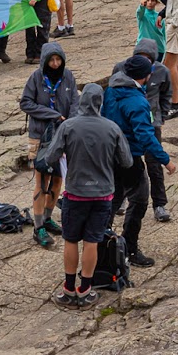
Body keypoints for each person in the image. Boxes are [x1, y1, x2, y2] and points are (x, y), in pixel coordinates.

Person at [37, 84, 133, 308]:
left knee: (71, 240)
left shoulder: (69, 126)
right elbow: (127, 161)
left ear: (81, 102)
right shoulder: (112, 128)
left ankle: (69, 289)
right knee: (92, 241)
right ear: (100, 102)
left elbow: (51, 157)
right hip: (102, 195)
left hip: (76, 194)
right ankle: (86, 289)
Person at [102, 54, 177, 268]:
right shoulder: (136, 100)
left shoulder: (111, 90)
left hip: (109, 154)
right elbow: (145, 135)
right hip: (129, 157)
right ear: (144, 76)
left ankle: (100, 242)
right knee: (140, 198)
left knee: (113, 199)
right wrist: (165, 160)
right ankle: (130, 247)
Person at [19, 42, 77, 247]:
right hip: (40, 136)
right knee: (42, 182)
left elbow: (75, 102)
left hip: (63, 136)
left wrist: (71, 123)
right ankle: (38, 227)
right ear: (45, 61)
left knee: (57, 180)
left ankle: (48, 217)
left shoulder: (68, 76)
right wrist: (53, 115)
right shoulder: (35, 78)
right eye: (51, 60)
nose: (55, 64)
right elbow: (25, 103)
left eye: (58, 59)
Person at [112, 38, 173, 222]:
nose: (144, 61)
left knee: (154, 164)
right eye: (140, 57)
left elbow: (167, 94)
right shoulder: (121, 67)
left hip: (151, 122)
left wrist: (161, 117)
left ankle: (159, 204)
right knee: (125, 162)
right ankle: (120, 199)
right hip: (127, 124)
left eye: (148, 58)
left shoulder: (162, 71)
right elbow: (113, 92)